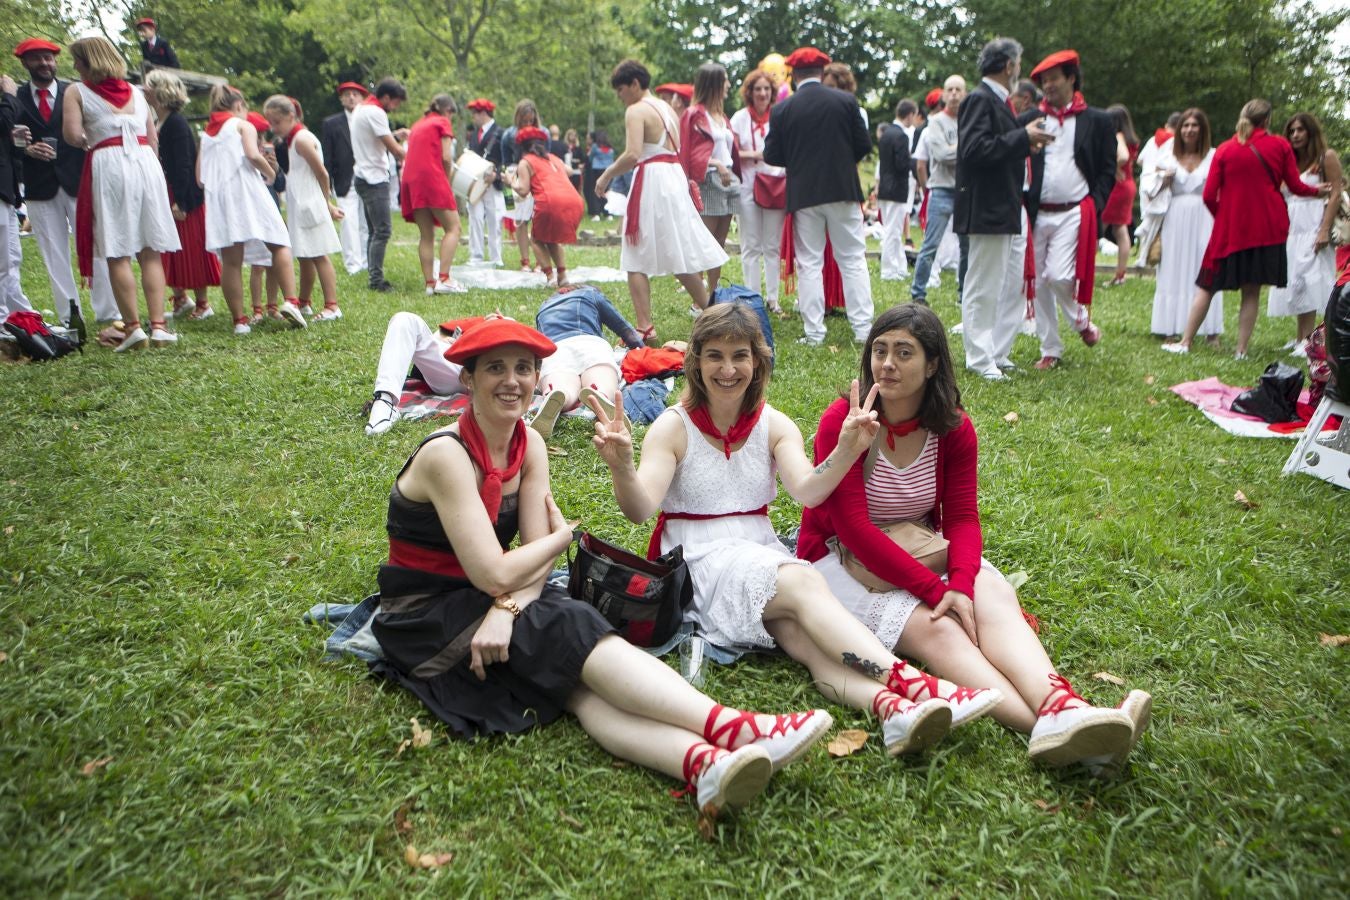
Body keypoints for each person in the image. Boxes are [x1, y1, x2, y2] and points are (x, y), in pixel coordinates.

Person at [366, 316, 831, 823]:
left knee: (579, 688)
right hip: (428, 615)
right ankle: (737, 727)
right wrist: (553, 549)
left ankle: (706, 765)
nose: (512, 381)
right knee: (571, 628)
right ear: (467, 379)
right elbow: (499, 570)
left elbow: (531, 563)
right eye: (495, 368)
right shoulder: (445, 455)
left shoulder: (529, 444)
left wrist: (511, 606)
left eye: (524, 368)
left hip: (491, 601)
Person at [588, 304, 1003, 757]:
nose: (728, 369)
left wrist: (846, 450)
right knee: (804, 579)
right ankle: (915, 685)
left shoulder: (773, 423)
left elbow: (809, 491)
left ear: (758, 362)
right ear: (696, 363)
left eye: (740, 356)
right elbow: (639, 508)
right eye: (714, 356)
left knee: (802, 639)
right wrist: (623, 469)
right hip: (698, 555)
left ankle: (891, 710)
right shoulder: (672, 427)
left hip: (759, 548)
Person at [796, 303, 1152, 774]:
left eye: (905, 352)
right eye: (879, 350)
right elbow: (853, 531)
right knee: (941, 627)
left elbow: (962, 518)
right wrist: (937, 593)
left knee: (992, 595)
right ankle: (1072, 737)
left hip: (916, 544)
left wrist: (960, 586)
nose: (887, 363)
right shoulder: (845, 418)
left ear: (933, 364)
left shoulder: (953, 428)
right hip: (839, 560)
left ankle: (1063, 708)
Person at [1163, 99, 1328, 359]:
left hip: (1229, 232)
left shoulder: (1226, 150)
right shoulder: (1279, 146)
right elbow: (1295, 186)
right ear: (1267, 121)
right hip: (1267, 230)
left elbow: (1208, 195)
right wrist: (1316, 192)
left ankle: (1184, 342)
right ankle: (1241, 350)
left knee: (1206, 285)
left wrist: (1225, 217)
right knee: (1251, 292)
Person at [63, 36, 180, 351]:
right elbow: (152, 138)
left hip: (110, 163)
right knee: (151, 248)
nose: (74, 66)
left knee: (118, 250)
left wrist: (97, 135)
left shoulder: (76, 91)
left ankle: (132, 328)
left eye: (77, 60)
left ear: (89, 62)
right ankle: (158, 326)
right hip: (145, 164)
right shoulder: (140, 94)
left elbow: (73, 135)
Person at [597, 59, 727, 342]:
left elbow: (632, 154)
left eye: (620, 89)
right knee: (676, 249)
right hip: (673, 176)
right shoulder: (667, 107)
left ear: (633, 84)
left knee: (634, 255)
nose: (619, 96)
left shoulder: (636, 110)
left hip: (652, 178)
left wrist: (606, 175)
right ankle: (712, 313)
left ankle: (645, 326)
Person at [955, 38, 1051, 381]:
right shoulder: (979, 100)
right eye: (1019, 64)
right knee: (983, 283)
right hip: (986, 207)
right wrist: (1022, 138)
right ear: (1009, 65)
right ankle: (979, 357)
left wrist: (1027, 141)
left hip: (1007, 205)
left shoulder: (1002, 103)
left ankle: (998, 350)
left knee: (1008, 283)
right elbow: (974, 149)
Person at [762, 47, 874, 346]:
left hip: (804, 193)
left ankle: (814, 332)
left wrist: (799, 161)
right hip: (843, 190)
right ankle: (864, 329)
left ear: (794, 75)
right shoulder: (846, 101)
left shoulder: (783, 109)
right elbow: (863, 144)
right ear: (822, 72)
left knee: (809, 263)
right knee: (852, 259)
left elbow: (771, 154)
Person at [1022, 49, 1115, 370]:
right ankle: (1051, 348)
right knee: (1039, 281)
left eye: (1053, 79)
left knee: (1058, 275)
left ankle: (1080, 321)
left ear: (1071, 79)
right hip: (1037, 212)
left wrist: (1096, 202)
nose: (1047, 86)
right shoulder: (1033, 120)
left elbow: (1107, 169)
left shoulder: (1099, 120)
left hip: (1075, 211)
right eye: (1043, 82)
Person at [12, 38, 116, 326]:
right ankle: (71, 316)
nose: (45, 63)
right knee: (53, 252)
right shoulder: (16, 98)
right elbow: (9, 140)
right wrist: (25, 149)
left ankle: (108, 311)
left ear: (56, 61)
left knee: (95, 245)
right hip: (38, 185)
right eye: (37, 59)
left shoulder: (77, 92)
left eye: (49, 58)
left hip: (78, 178)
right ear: (25, 63)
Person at [198, 84, 303, 336]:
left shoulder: (206, 135)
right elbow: (253, 155)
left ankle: (239, 321)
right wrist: (270, 172)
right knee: (279, 242)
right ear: (238, 106)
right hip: (247, 189)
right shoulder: (242, 125)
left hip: (220, 197)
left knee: (231, 261)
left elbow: (200, 177)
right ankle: (291, 300)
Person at [145, 69, 219, 321]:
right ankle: (181, 298)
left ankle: (202, 303)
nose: (143, 91)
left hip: (184, 195)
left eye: (148, 87)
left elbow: (184, 164)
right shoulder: (159, 121)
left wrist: (181, 201)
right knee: (170, 249)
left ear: (158, 91)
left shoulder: (175, 123)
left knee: (191, 249)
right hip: (168, 192)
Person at [1266, 112, 1342, 355]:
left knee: (1310, 279)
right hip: (1292, 226)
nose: (1295, 135)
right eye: (1292, 131)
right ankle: (1300, 336)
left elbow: (1336, 194)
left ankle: (1309, 340)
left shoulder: (1325, 157)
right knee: (1296, 280)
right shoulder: (1289, 161)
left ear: (1310, 132)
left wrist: (1323, 230)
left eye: (1300, 130)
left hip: (1314, 224)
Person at [263, 95, 344, 321]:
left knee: (318, 254)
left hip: (310, 202)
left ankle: (332, 305)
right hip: (301, 203)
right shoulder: (293, 140)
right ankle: (304, 301)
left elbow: (321, 172)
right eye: (271, 123)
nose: (273, 127)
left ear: (291, 116)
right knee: (305, 255)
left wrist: (326, 202)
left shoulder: (301, 139)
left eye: (276, 122)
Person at [530, 283, 645, 438]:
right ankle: (600, 393)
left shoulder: (543, 307)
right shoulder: (590, 294)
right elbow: (624, 329)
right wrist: (642, 350)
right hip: (589, 344)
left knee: (561, 381)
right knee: (600, 373)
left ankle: (556, 393)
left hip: (554, 350)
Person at [1151, 109, 1222, 340]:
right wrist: (1164, 181)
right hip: (1175, 216)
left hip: (1205, 217)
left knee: (1204, 268)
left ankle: (1210, 330)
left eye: (1194, 125)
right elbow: (1150, 193)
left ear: (1202, 129)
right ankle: (1169, 327)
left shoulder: (1213, 156)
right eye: (1185, 125)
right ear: (1179, 129)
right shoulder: (1167, 155)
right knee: (1173, 267)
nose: (1189, 130)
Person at [680, 63, 739, 296]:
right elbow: (687, 151)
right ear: (714, 83)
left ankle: (714, 292)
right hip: (708, 180)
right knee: (705, 242)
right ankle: (700, 299)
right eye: (725, 80)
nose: (728, 85)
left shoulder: (722, 116)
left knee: (720, 240)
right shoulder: (694, 114)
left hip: (729, 180)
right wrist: (716, 164)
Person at [730, 68, 785, 314]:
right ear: (749, 93)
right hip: (748, 185)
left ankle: (773, 298)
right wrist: (754, 155)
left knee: (772, 245)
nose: (762, 93)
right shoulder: (740, 118)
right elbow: (730, 153)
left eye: (766, 89)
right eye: (758, 89)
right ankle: (752, 297)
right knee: (751, 244)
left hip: (775, 184)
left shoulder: (779, 117)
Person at [398, 94, 466, 296]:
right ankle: (444, 279)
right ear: (448, 111)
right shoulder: (442, 122)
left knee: (426, 235)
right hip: (432, 178)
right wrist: (447, 179)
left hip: (411, 181)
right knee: (453, 228)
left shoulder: (418, 124)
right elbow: (446, 157)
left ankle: (430, 284)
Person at [909, 74, 967, 308]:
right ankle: (918, 293)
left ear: (965, 94)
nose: (954, 94)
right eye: (950, 89)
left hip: (964, 191)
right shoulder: (935, 123)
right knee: (930, 244)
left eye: (958, 90)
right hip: (941, 190)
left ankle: (964, 294)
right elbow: (942, 156)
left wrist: (954, 149)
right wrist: (968, 148)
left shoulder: (969, 121)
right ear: (943, 95)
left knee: (967, 247)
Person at [364, 313, 467, 436]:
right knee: (405, 319)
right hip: (457, 359)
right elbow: (446, 329)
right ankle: (384, 400)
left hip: (481, 367)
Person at [351, 78, 407, 291]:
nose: (396, 107)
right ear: (386, 97)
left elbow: (372, 138)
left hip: (362, 175)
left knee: (374, 230)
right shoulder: (376, 112)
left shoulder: (361, 109)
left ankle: (372, 273)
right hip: (374, 178)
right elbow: (395, 150)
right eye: (396, 102)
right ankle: (376, 280)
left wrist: (395, 134)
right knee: (382, 231)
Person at [511, 126, 583, 287]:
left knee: (536, 239)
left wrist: (511, 182)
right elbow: (570, 171)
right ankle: (563, 275)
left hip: (550, 201)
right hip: (574, 200)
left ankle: (550, 276)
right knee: (552, 239)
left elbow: (523, 191)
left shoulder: (525, 162)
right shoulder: (553, 158)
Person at [322, 82, 368, 276]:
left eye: (355, 94)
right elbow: (328, 157)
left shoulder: (368, 119)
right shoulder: (331, 123)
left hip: (367, 176)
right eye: (347, 94)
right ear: (341, 98)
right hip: (344, 179)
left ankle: (366, 261)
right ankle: (353, 263)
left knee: (366, 221)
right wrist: (328, 185)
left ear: (362, 98)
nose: (351, 97)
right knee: (348, 222)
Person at [0, 74, 32, 319]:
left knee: (11, 257)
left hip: (7, 190)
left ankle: (19, 314)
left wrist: (19, 144)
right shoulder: (7, 100)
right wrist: (10, 95)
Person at [876, 99, 915, 283]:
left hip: (884, 187)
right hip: (897, 189)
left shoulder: (885, 133)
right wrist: (912, 161)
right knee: (893, 230)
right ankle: (888, 269)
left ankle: (899, 266)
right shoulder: (901, 136)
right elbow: (901, 165)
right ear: (910, 115)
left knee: (893, 228)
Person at [1135, 111, 1179, 267]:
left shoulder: (1153, 139)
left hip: (1145, 182)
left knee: (1146, 216)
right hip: (1161, 184)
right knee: (1157, 222)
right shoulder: (1175, 142)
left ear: (1167, 125)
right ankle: (1146, 257)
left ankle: (1142, 253)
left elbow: (1140, 160)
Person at [1102, 104, 1139, 287]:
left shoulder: (1118, 136)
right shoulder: (1132, 138)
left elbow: (1122, 156)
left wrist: (1114, 168)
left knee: (1098, 227)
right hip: (1129, 185)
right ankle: (1120, 274)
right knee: (1120, 230)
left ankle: (1085, 270)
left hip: (1118, 186)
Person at [502, 99, 542, 272]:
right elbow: (506, 162)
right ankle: (524, 261)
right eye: (524, 120)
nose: (527, 124)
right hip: (515, 177)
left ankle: (540, 261)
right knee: (519, 221)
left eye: (530, 121)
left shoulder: (542, 133)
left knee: (537, 221)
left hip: (536, 177)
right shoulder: (508, 135)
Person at [466, 98, 505, 266]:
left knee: (494, 219)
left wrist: (496, 175)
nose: (473, 117)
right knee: (475, 218)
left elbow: (506, 159)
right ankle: (476, 255)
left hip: (493, 182)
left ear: (483, 113)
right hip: (477, 182)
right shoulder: (475, 134)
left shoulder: (500, 132)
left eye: (474, 113)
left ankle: (496, 257)